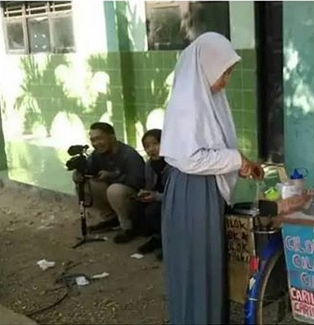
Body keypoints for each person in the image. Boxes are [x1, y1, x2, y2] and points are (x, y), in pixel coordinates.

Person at [159, 32, 263, 325]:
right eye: (224, 72)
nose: (225, 80)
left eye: (228, 72)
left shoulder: (209, 99)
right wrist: (235, 159)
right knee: (196, 267)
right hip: (192, 193)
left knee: (209, 267)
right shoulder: (185, 104)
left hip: (206, 191)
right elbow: (189, 158)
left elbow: (214, 149)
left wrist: (237, 160)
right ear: (204, 66)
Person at [72, 122, 145, 244]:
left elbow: (138, 181)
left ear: (112, 137)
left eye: (100, 138)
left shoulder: (129, 154)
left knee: (115, 190)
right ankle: (111, 219)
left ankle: (128, 227)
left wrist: (113, 176)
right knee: (84, 186)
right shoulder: (97, 154)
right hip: (115, 193)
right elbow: (89, 171)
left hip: (136, 199)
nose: (96, 143)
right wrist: (78, 173)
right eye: (93, 140)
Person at [131, 129, 167, 260]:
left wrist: (156, 196)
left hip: (175, 200)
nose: (152, 149)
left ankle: (169, 243)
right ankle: (157, 237)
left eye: (156, 143)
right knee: (137, 207)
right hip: (159, 196)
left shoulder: (175, 164)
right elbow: (150, 185)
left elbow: (178, 195)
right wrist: (145, 193)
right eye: (147, 146)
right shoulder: (150, 164)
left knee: (153, 211)